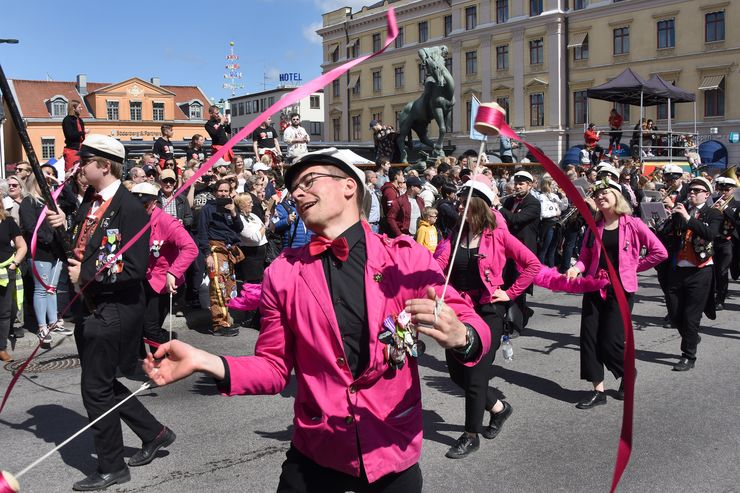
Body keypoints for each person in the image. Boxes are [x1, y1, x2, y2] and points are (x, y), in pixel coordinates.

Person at [143, 147, 490, 492]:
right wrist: (206, 360)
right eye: (294, 186)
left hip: (391, 445)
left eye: (309, 181)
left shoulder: (405, 258)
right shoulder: (283, 273)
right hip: (317, 449)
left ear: (348, 186)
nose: (296, 192)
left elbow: (474, 325)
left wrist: (464, 337)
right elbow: (274, 368)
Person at [46, 134, 175, 491]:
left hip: (114, 309)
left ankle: (112, 466)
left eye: (85, 160)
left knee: (94, 389)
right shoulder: (89, 202)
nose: (79, 166)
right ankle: (155, 432)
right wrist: (61, 231)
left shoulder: (130, 209)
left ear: (104, 165)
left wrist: (85, 275)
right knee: (101, 383)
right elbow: (81, 250)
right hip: (91, 307)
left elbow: (133, 267)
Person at [435, 176, 539, 458]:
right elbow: (436, 266)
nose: (459, 208)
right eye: (459, 203)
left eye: (465, 204)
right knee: (457, 373)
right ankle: (499, 408)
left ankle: (471, 435)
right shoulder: (454, 236)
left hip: (489, 311)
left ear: (479, 207)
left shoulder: (499, 236)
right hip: (459, 311)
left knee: (476, 374)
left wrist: (510, 292)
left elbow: (532, 264)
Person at [565, 178, 667, 409]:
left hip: (621, 289)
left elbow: (659, 252)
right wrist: (575, 268)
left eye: (605, 193)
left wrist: (632, 267)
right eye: (598, 194)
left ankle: (627, 373)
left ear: (617, 196)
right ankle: (597, 391)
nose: (600, 197)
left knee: (611, 341)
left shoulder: (633, 224)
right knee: (589, 340)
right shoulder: (594, 226)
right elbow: (585, 257)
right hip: (594, 286)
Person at [658, 177, 723, 371]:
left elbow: (710, 234)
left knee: (691, 316)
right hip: (678, 268)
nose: (691, 193)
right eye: (690, 190)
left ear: (707, 194)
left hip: (701, 270)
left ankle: (688, 355)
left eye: (696, 190)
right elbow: (666, 234)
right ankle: (691, 336)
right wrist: (662, 218)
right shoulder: (681, 211)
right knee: (675, 313)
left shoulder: (713, 213)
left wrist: (687, 218)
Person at [131, 182, 197, 347]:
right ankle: (140, 359)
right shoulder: (133, 219)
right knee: (135, 324)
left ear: (153, 203)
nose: (139, 209)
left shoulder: (167, 222)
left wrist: (173, 272)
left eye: (144, 205)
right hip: (141, 279)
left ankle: (163, 358)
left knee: (151, 327)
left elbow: (190, 248)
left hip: (163, 282)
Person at [19, 174, 69, 342]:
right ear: (35, 182)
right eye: (44, 181)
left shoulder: (50, 202)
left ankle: (53, 322)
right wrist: (49, 238)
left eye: (48, 182)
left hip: (55, 252)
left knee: (51, 289)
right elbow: (31, 227)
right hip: (40, 251)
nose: (47, 184)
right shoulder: (29, 202)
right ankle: (42, 326)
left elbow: (71, 201)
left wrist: (58, 182)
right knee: (41, 289)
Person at [494, 170, 540, 335]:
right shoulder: (510, 201)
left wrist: (498, 206)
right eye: (516, 184)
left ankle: (515, 325)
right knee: (506, 284)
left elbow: (516, 220)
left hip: (524, 250)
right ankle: (522, 313)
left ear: (529, 185)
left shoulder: (533, 203)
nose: (518, 187)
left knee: (518, 287)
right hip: (507, 249)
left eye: (522, 184)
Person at [197, 179, 245, 336]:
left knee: (229, 286)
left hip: (229, 250)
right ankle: (218, 324)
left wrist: (233, 212)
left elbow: (240, 228)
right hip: (215, 250)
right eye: (220, 191)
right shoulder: (207, 209)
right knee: (218, 286)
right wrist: (207, 255)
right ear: (215, 192)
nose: (223, 193)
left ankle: (226, 318)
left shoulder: (232, 207)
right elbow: (202, 233)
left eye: (226, 191)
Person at [0, 205, 26, 362]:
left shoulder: (8, 222)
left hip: (6, 271)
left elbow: (22, 246)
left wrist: (14, 264)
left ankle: (1, 348)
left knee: (4, 313)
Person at [712, 176, 738, 310]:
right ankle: (712, 295)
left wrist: (725, 209)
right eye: (720, 189)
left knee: (722, 271)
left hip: (728, 242)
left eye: (726, 189)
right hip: (712, 240)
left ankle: (720, 299)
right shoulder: (714, 201)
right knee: (712, 271)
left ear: (733, 190)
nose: (723, 192)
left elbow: (737, 223)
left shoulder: (737, 204)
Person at [537, 175, 567, 267]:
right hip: (548, 224)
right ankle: (541, 271)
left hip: (557, 224)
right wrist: (555, 213)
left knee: (553, 249)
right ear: (547, 185)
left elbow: (563, 207)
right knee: (544, 249)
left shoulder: (555, 196)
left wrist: (564, 198)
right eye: (552, 184)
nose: (555, 186)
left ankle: (551, 270)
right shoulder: (541, 196)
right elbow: (543, 213)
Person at [62, 100, 86, 171]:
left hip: (80, 149)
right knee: (71, 171)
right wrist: (82, 132)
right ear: (73, 108)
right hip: (72, 149)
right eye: (79, 107)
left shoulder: (79, 120)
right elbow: (70, 135)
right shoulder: (67, 120)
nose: (81, 109)